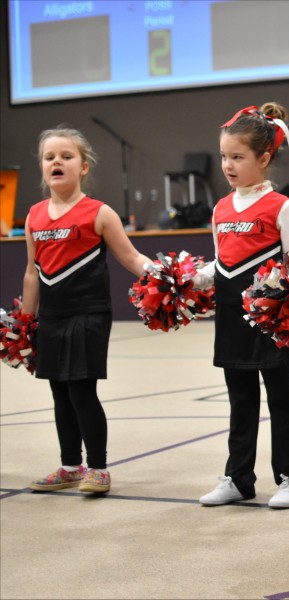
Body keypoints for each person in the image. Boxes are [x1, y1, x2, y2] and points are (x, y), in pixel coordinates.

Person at [22, 126, 152, 495]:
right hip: (52, 316)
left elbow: (131, 258)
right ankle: (69, 466)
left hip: (89, 312)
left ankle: (98, 467)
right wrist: (25, 321)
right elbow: (32, 272)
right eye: (50, 158)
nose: (57, 162)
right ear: (42, 167)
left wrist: (167, 279)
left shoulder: (99, 213)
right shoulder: (33, 216)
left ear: (83, 167)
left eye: (66, 156)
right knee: (58, 391)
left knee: (81, 389)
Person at [195, 103, 289, 509]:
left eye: (237, 157)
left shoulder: (280, 205)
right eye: (224, 157)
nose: (228, 165)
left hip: (272, 318)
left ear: (263, 158)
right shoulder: (221, 208)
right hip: (230, 313)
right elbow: (220, 261)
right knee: (239, 397)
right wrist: (191, 277)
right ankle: (238, 477)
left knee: (281, 397)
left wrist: (278, 295)